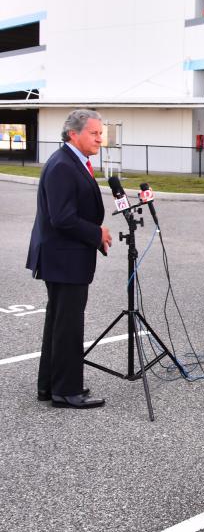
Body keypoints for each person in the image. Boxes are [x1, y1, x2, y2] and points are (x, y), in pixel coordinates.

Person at [27, 109, 112, 409]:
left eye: (101, 132)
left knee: (59, 323)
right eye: (94, 132)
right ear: (73, 134)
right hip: (64, 259)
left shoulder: (73, 161)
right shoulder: (63, 165)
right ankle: (67, 390)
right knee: (68, 326)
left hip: (64, 257)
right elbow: (62, 218)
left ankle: (49, 385)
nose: (100, 138)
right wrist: (96, 233)